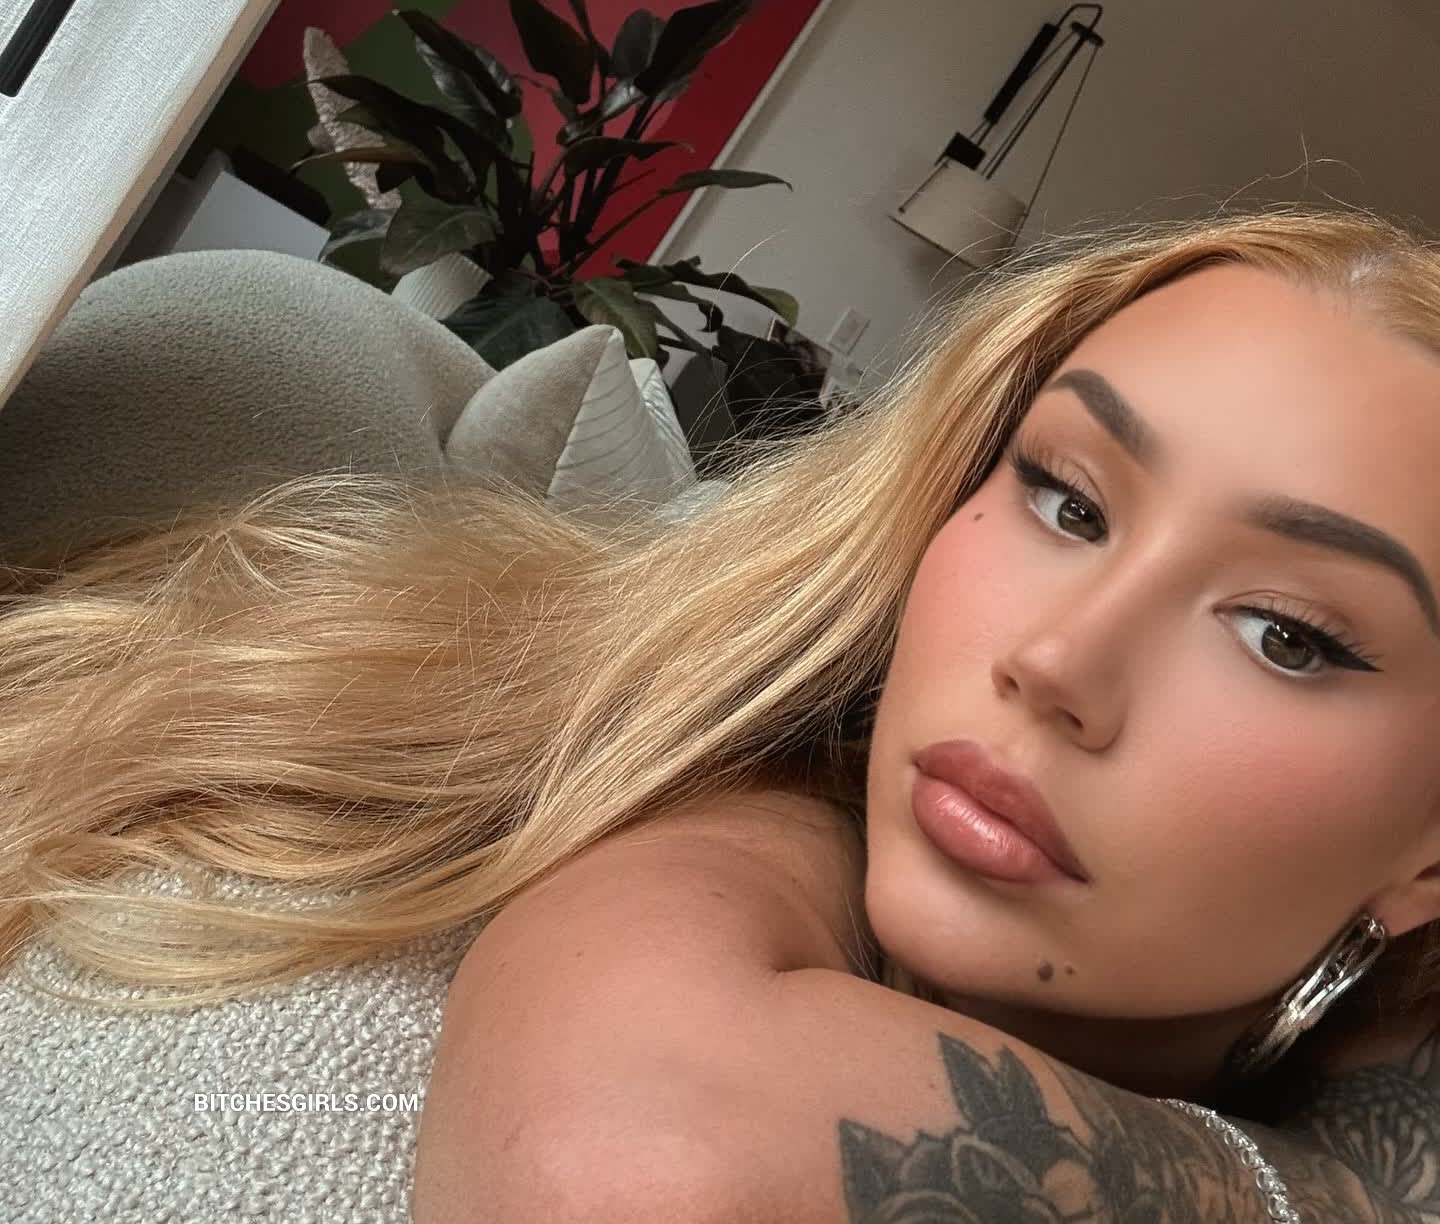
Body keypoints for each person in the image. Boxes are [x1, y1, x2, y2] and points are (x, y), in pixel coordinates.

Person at [6, 203, 1440, 1221]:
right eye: (1066, 500)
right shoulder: (744, 805)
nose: (1059, 660)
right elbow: (628, 1160)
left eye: (1289, 636)